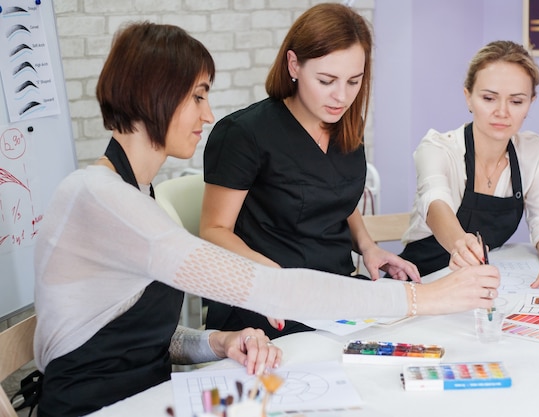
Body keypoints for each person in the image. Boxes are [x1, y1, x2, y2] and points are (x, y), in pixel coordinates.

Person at [33, 21, 500, 417]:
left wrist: (218, 342)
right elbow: (272, 288)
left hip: (150, 395)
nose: (209, 113)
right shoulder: (100, 197)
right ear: (156, 97)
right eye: (197, 96)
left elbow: (141, 338)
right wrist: (425, 298)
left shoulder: (133, 194)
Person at [200, 3, 420, 338]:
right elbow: (214, 229)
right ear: (294, 64)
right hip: (265, 301)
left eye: (354, 81)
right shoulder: (245, 134)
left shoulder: (347, 128)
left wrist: (368, 247)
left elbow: (338, 199)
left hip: (333, 290)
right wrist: (273, 275)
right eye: (327, 80)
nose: (341, 96)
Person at [398, 40, 539, 294]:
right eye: (488, 98)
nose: (502, 112)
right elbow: (434, 203)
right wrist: (460, 244)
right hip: (419, 283)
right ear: (468, 97)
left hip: (475, 286)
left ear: (531, 102)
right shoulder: (438, 148)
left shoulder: (533, 152)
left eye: (516, 101)